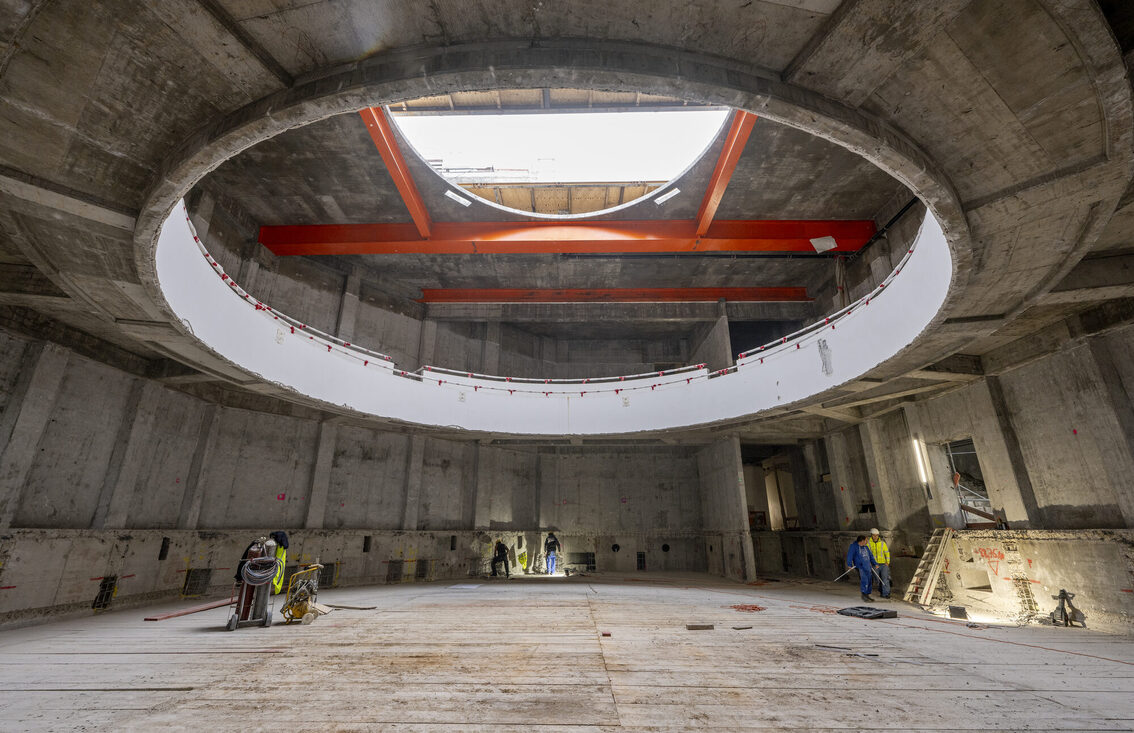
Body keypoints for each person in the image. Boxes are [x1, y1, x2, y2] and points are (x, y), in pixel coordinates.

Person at [846, 535, 878, 602]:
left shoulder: (866, 547)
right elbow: (850, 555)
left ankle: (867, 594)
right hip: (860, 566)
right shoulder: (853, 546)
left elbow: (870, 556)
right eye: (866, 540)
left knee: (870, 580)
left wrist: (875, 563)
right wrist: (849, 564)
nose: (867, 541)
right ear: (862, 541)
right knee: (864, 580)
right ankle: (864, 595)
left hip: (867, 566)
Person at [867, 528, 891, 600]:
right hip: (874, 565)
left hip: (883, 564)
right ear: (871, 535)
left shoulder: (883, 543)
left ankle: (886, 593)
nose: (875, 537)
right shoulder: (868, 544)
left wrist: (887, 562)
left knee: (885, 579)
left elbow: (887, 553)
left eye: (877, 535)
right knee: (878, 579)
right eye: (874, 535)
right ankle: (881, 591)